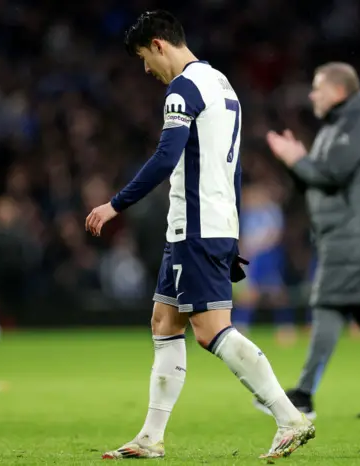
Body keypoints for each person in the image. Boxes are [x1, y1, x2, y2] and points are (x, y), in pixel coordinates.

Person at [85, 10, 314, 460]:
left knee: (211, 332)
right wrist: (232, 229)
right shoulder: (223, 85)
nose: (145, 70)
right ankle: (151, 437)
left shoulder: (182, 89)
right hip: (208, 224)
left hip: (196, 227)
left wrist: (115, 204)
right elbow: (234, 167)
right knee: (165, 322)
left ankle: (289, 416)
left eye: (143, 59)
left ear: (158, 44)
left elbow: (166, 156)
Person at [256, 62, 360, 420]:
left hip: (356, 236)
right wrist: (295, 161)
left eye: (318, 87)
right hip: (349, 234)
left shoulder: (359, 123)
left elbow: (331, 175)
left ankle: (302, 395)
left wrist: (298, 158)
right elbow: (316, 178)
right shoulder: (339, 126)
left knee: (329, 305)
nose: (313, 94)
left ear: (338, 91)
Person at [232, 182, 297, 345]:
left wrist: (257, 248)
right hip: (250, 258)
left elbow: (274, 235)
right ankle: (240, 326)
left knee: (276, 293)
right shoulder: (246, 215)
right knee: (247, 293)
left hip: (268, 257)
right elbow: (243, 237)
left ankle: (285, 326)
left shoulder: (272, 211)